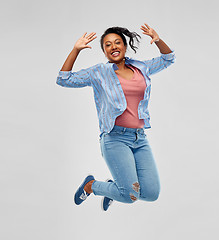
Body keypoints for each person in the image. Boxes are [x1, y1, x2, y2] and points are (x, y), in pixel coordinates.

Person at [56, 23, 176, 211]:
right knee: (129, 196)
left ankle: (113, 186)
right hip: (115, 138)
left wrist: (158, 40)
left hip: (140, 138)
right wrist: (76, 50)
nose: (114, 47)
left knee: (151, 194)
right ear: (104, 51)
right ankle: (91, 186)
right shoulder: (99, 73)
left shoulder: (141, 68)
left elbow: (168, 58)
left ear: (125, 46)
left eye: (117, 42)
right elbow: (64, 79)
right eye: (108, 45)